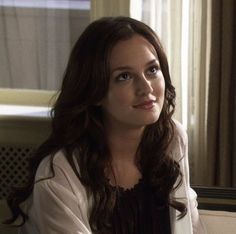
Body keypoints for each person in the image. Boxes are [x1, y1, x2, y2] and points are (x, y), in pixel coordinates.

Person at [4, 16, 206, 234]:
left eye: (152, 70)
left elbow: (188, 224)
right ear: (95, 92)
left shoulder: (172, 137)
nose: (145, 87)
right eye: (124, 76)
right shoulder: (59, 175)